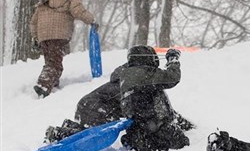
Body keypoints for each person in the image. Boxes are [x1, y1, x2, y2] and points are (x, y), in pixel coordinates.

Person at [43, 60, 193, 144]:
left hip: (88, 104)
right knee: (95, 137)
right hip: (97, 107)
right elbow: (162, 112)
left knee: (92, 132)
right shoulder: (139, 85)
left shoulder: (126, 80)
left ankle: (68, 128)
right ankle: (59, 133)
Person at [30, 0, 98, 98]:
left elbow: (34, 21)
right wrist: (92, 20)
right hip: (59, 34)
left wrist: (35, 37)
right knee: (55, 64)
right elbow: (78, 11)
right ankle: (43, 84)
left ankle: (53, 84)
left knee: (51, 60)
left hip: (43, 35)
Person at [117, 45, 190, 151]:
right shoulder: (143, 73)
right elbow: (172, 77)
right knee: (183, 142)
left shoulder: (126, 74)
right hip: (154, 128)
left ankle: (137, 140)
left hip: (138, 128)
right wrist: (172, 59)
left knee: (154, 92)